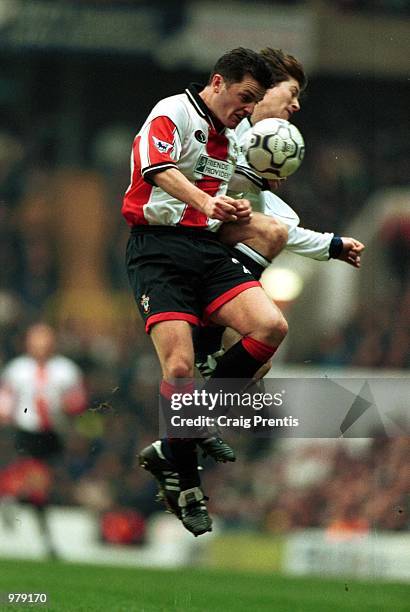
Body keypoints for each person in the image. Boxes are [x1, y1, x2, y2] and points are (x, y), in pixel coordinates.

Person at [147, 49, 365, 527]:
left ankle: (184, 431)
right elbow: (269, 223)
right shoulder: (221, 132)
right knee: (269, 236)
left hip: (208, 257)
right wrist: (213, 201)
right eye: (292, 94)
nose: (296, 106)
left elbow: (283, 221)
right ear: (260, 93)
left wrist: (329, 244)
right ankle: (201, 366)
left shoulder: (252, 150)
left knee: (260, 361)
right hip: (174, 252)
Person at [123, 48, 294, 536]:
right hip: (156, 252)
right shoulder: (172, 110)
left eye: (254, 101)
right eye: (244, 97)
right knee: (177, 367)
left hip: (203, 250)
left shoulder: (233, 139)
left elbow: (220, 195)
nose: (247, 108)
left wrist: (233, 208)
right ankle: (185, 479)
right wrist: (205, 201)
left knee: (270, 327)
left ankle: (177, 439)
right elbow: (156, 168)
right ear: (218, 83)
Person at [0, 322, 87, 556]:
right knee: (38, 480)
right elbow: (6, 401)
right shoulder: (17, 369)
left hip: (53, 433)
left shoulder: (65, 370)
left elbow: (77, 401)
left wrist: (70, 406)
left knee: (42, 488)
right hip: (26, 431)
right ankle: (44, 537)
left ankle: (11, 497)